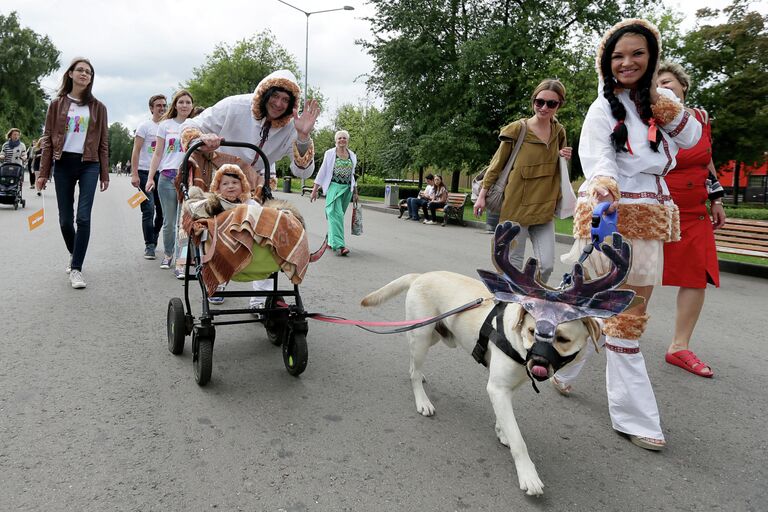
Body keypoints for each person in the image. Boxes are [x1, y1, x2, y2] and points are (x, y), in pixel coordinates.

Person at [553, 19, 702, 451]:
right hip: (610, 216)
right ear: (606, 62)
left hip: (651, 220)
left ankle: (563, 366)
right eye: (618, 56)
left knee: (623, 316)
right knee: (608, 310)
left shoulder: (664, 101)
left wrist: (659, 98)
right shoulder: (602, 107)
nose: (627, 62)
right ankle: (636, 416)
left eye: (637, 53)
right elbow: (598, 157)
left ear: (652, 56)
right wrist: (603, 191)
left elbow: (691, 138)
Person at [182, 69, 319, 313]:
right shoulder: (234, 106)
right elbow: (191, 125)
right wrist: (204, 137)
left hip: (257, 182)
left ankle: (261, 299)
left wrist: (303, 136)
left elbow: (303, 173)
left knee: (265, 227)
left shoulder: (290, 126)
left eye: (286, 100)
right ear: (264, 94)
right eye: (275, 96)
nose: (279, 104)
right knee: (219, 223)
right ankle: (218, 276)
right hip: (222, 176)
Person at [657, 61, 725, 378]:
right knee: (634, 275)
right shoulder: (646, 118)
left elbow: (706, 160)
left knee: (696, 276)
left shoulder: (700, 118)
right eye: (657, 83)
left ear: (683, 86)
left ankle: (679, 347)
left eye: (668, 81)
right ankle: (615, 336)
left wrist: (717, 197)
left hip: (694, 211)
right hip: (656, 207)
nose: (663, 86)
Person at [473, 79, 573, 283]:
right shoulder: (518, 129)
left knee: (546, 266)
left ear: (559, 105)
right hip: (515, 210)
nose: (544, 107)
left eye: (551, 104)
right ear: (533, 101)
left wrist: (564, 156)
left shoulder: (559, 132)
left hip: (544, 210)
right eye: (539, 102)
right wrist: (482, 196)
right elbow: (496, 165)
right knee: (512, 269)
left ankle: (529, 303)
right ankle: (509, 310)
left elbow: (560, 171)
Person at [36, 57, 110, 289]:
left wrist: (105, 174)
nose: (84, 74)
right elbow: (48, 140)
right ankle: (75, 252)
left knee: (83, 217)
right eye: (80, 70)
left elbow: (103, 143)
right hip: (63, 162)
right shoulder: (57, 104)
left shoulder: (98, 107)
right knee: (66, 221)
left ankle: (76, 268)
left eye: (88, 72)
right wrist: (42, 173)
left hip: (90, 163)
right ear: (70, 74)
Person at [146, 89, 194, 271]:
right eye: (181, 102)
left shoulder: (196, 125)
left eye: (188, 102)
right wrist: (151, 177)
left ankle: (181, 263)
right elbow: (158, 153)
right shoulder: (165, 125)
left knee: (184, 223)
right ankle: (168, 254)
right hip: (167, 177)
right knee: (169, 221)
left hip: (188, 178)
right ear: (176, 105)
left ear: (192, 105)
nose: (184, 105)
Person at [130, 94, 167, 260]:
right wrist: (134, 173)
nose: (162, 108)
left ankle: (154, 235)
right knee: (148, 208)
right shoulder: (144, 127)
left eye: (164, 105)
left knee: (162, 211)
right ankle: (149, 245)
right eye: (158, 105)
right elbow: (136, 151)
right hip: (145, 172)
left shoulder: (168, 127)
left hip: (164, 173)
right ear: (151, 108)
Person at [310, 130, 358, 255]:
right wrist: (315, 189)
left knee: (337, 216)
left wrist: (355, 192)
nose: (342, 140)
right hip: (334, 188)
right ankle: (340, 245)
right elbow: (323, 171)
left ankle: (331, 241)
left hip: (346, 189)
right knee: (335, 214)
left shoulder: (352, 155)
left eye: (344, 138)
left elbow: (352, 175)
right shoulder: (330, 153)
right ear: (336, 140)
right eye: (340, 138)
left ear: (347, 140)